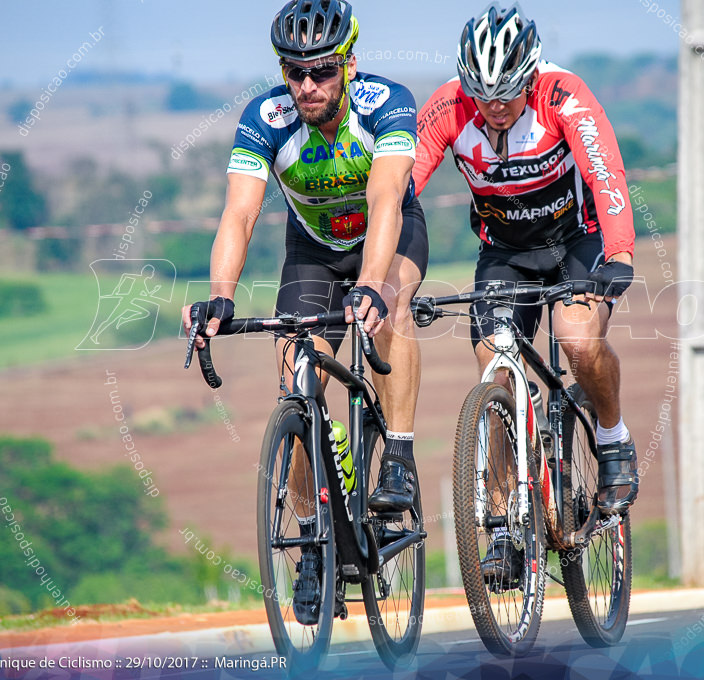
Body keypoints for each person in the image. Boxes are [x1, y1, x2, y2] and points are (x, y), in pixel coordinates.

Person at [181, 0, 427, 625]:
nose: (307, 86)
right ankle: (314, 542)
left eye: (320, 71)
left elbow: (385, 198)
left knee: (390, 309)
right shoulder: (265, 118)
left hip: (387, 237)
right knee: (299, 386)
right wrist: (222, 295)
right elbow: (239, 214)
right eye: (294, 72)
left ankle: (396, 453)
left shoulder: (387, 104)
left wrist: (371, 285)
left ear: (347, 63)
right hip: (312, 252)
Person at [412, 3, 638, 586]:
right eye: (482, 94)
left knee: (578, 342)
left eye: (508, 94)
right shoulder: (446, 108)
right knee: (494, 369)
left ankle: (612, 439)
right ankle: (506, 528)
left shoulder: (564, 95)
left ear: (530, 75)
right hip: (505, 253)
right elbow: (400, 188)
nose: (494, 106)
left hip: (576, 242)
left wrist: (619, 255)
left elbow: (606, 174)